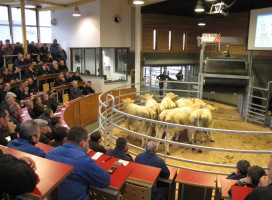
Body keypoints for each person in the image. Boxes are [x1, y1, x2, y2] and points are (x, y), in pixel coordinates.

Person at [46, 126, 111, 200]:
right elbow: (105, 180)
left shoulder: (51, 153)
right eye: (88, 141)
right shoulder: (83, 160)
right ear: (83, 143)